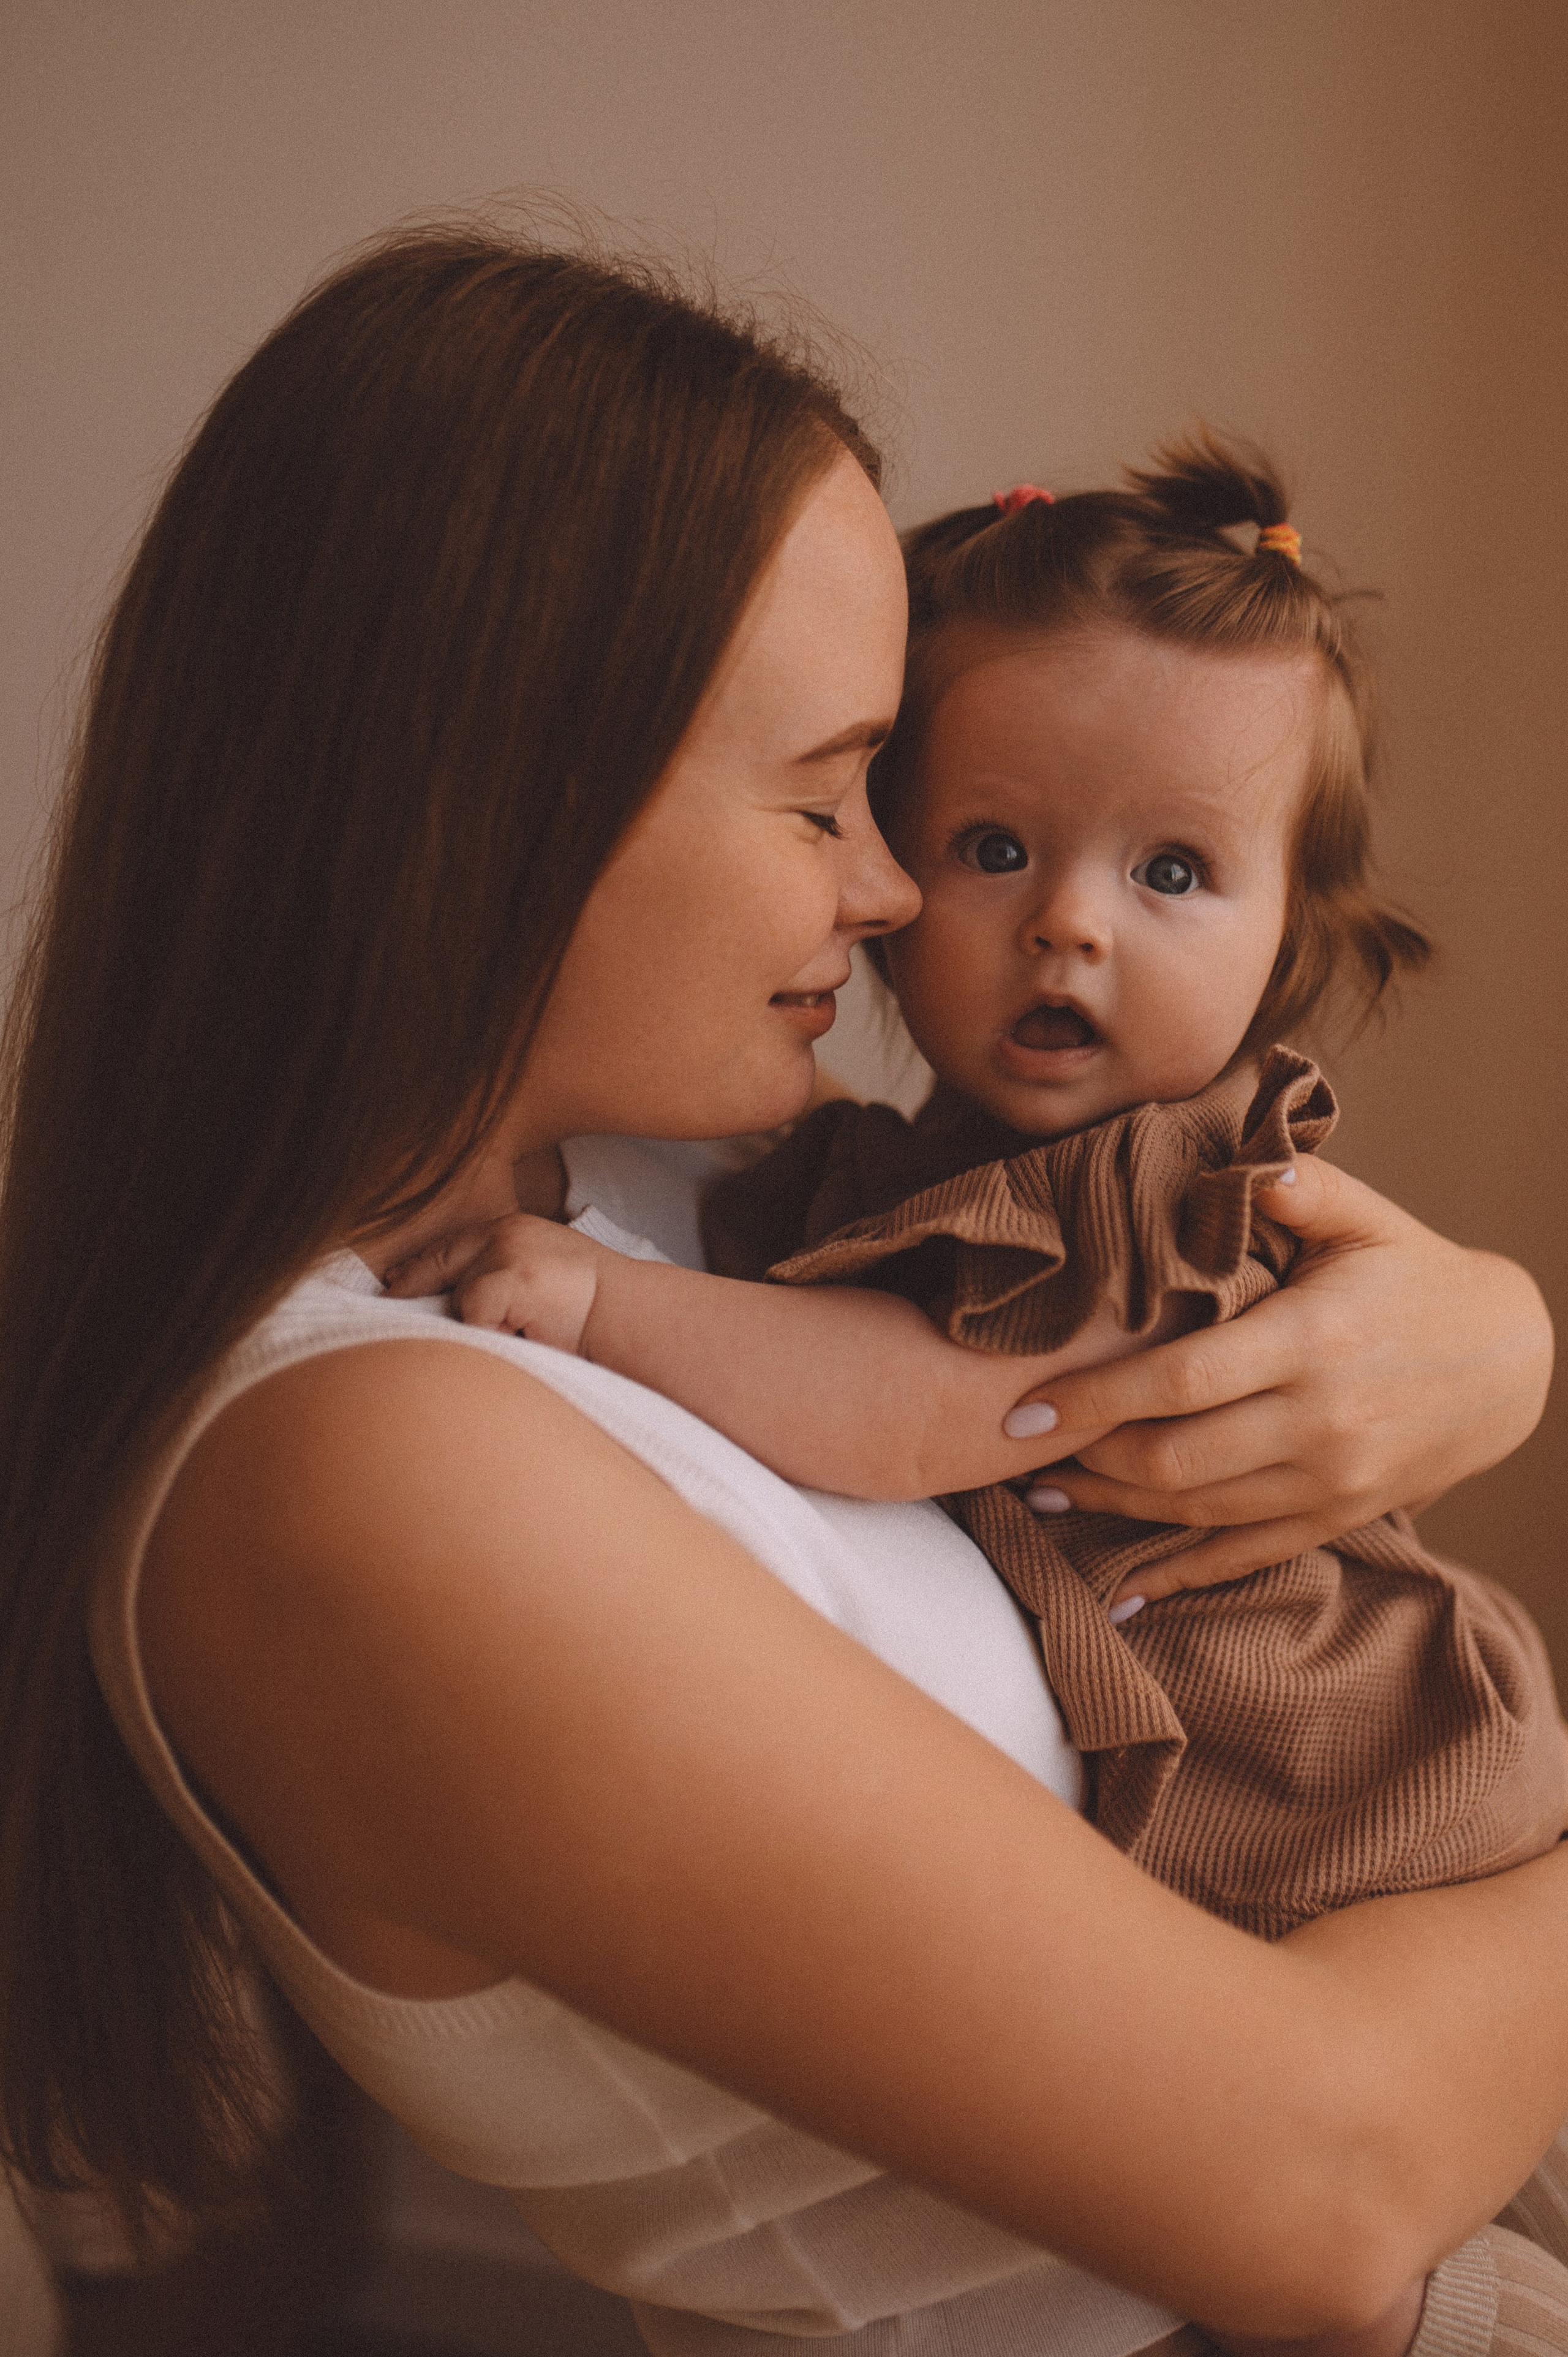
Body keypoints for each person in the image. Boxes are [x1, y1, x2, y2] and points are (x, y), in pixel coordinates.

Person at [1, 228, 1566, 2357]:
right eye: (838, 796)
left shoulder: (648, 1194)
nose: (901, 890)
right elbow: (1315, 2199)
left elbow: (1155, 1298)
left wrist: (1486, 1338)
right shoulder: (363, 1475)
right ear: (501, 789)